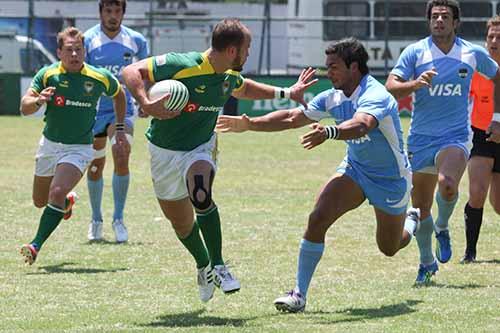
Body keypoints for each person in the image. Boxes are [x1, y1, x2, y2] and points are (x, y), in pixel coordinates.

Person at [121, 18, 316, 302]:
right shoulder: (183, 63)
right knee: (181, 224)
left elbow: (243, 88)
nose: (248, 55)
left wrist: (287, 93)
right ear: (233, 50)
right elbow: (131, 70)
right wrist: (146, 102)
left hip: (201, 147)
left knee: (200, 192)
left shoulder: (227, 75)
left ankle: (220, 265)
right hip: (163, 151)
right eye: (247, 49)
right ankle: (204, 265)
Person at [217, 37, 417, 313]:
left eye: (333, 67)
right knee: (318, 217)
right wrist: (249, 124)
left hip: (390, 179)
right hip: (356, 170)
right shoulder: (332, 96)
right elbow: (291, 118)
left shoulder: (376, 94)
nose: (328, 73)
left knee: (390, 247)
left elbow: (362, 125)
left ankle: (411, 222)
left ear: (354, 67)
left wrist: (330, 131)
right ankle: (299, 294)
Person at [385, 0, 500, 284]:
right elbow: (390, 86)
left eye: (445, 16)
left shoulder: (471, 53)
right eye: (434, 16)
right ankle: (427, 262)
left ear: (455, 22)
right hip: (421, 139)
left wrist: (497, 116)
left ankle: (443, 226)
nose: (439, 20)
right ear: (429, 22)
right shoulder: (415, 52)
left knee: (448, 185)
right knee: (420, 207)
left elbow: (499, 76)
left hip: (456, 136)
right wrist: (414, 84)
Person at [19, 27, 129, 265]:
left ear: (85, 51)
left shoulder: (98, 77)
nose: (74, 54)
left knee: (55, 193)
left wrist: (120, 129)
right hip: (49, 145)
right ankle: (67, 203)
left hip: (78, 148)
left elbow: (119, 94)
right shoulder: (48, 75)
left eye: (78, 49)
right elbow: (24, 106)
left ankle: (35, 244)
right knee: (41, 201)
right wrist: (38, 100)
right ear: (59, 52)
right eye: (69, 50)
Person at [84, 0, 149, 243]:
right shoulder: (87, 40)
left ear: (123, 13)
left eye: (117, 11)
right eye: (108, 11)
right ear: (101, 12)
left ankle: (118, 219)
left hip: (122, 111)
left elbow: (145, 74)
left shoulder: (137, 41)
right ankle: (96, 218)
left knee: (121, 154)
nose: (113, 16)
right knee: (95, 166)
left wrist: (145, 100)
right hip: (92, 112)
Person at [462, 16, 500, 263]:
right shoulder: (476, 68)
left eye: (499, 38)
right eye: (490, 37)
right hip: (481, 135)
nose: (494, 42)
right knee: (476, 193)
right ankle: (470, 253)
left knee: (498, 205)